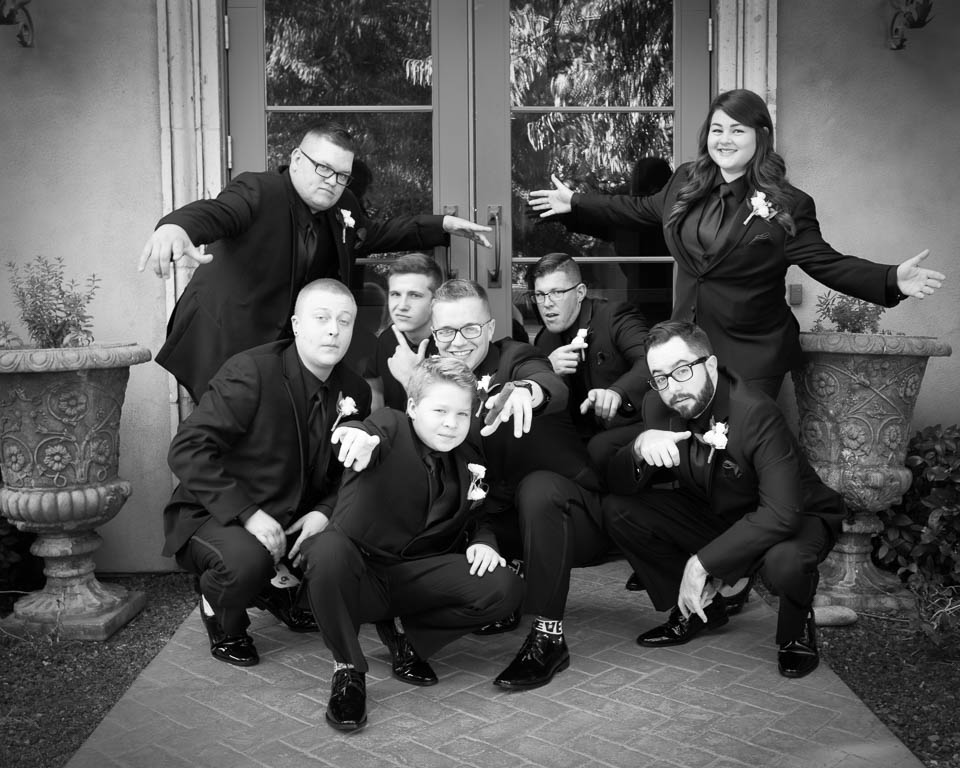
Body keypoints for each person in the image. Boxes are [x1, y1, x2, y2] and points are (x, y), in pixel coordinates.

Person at [529, 89, 945, 399]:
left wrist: (891, 278)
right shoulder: (685, 181)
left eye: (737, 130)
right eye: (717, 129)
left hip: (753, 351)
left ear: (760, 136)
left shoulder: (788, 204)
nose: (724, 139)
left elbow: (825, 262)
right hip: (688, 346)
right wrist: (575, 202)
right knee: (694, 446)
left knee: (742, 451)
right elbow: (636, 209)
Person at [138, 121, 492, 403]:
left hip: (284, 350)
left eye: (342, 175)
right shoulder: (258, 191)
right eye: (323, 168)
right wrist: (175, 228)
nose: (332, 181)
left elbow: (374, 234)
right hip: (223, 337)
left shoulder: (344, 206)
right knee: (225, 436)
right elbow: (217, 212)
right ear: (296, 159)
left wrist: (442, 225)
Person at [602, 321, 846, 678]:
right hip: (724, 513)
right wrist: (639, 447)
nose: (672, 388)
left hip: (795, 516)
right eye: (661, 378)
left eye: (682, 370)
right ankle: (698, 611)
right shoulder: (657, 406)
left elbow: (781, 514)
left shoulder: (755, 412)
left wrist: (700, 563)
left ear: (711, 365)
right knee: (620, 510)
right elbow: (618, 484)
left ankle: (795, 632)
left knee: (784, 564)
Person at [299, 357, 524, 731]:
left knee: (505, 586)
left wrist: (485, 541)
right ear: (414, 407)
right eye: (440, 411)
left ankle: (408, 638)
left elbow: (478, 514)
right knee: (326, 549)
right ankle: (348, 670)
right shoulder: (391, 425)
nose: (451, 423)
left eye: (461, 414)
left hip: (414, 577)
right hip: (357, 576)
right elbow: (369, 433)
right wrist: (357, 436)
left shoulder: (469, 455)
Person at [162, 279, 371, 667]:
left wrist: (325, 510)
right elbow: (187, 449)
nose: (333, 330)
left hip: (295, 514)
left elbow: (349, 471)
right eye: (322, 318)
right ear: (296, 325)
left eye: (344, 321)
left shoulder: (355, 390)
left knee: (349, 548)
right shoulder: (251, 371)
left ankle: (277, 585)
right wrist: (249, 515)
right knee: (245, 563)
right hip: (218, 512)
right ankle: (221, 612)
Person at [426, 279, 608, 690]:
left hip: (572, 518)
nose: (458, 341)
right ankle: (503, 600)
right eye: (447, 331)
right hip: (504, 519)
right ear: (434, 335)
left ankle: (548, 637)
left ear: (490, 328)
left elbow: (547, 381)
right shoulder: (438, 380)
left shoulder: (515, 357)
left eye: (470, 328)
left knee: (537, 489)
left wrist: (528, 391)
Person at [530, 252, 651, 467]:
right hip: (577, 433)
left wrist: (617, 392)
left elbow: (650, 362)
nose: (547, 303)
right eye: (540, 294)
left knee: (598, 448)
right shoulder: (544, 340)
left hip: (631, 424)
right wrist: (547, 371)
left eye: (556, 293)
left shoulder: (615, 317)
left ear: (580, 293)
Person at [363, 253, 443, 411]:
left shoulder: (452, 343)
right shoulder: (387, 339)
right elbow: (374, 386)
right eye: (395, 294)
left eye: (414, 295)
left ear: (435, 302)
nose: (402, 305)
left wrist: (412, 377)